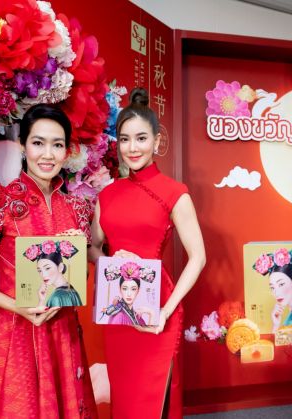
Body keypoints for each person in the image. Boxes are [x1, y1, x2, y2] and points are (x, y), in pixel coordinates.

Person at [0, 104, 97, 418]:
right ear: (22, 145)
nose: (48, 154)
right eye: (38, 143)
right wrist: (16, 305)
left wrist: (74, 256)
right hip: (12, 331)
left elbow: (80, 278)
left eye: (57, 145)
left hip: (61, 333)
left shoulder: (77, 207)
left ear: (67, 151)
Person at [89, 87, 206, 418]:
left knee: (154, 401)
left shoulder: (174, 192)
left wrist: (166, 311)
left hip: (157, 307)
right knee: (125, 400)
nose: (132, 148)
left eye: (141, 138)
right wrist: (111, 262)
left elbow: (198, 257)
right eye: (125, 139)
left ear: (156, 141)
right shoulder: (107, 195)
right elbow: (92, 248)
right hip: (117, 310)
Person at [253, 248, 292, 333]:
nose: (276, 292)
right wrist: (276, 323)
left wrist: (275, 326)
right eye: (272, 287)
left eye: (281, 284)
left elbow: (279, 341)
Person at [24, 239, 83, 307]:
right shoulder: (72, 291)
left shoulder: (56, 297)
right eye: (39, 270)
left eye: (47, 268)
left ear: (60, 267)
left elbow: (44, 315)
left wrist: (41, 302)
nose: (43, 275)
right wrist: (41, 300)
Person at [104, 262, 156, 326]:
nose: (129, 294)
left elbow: (148, 332)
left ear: (138, 290)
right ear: (120, 289)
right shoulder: (119, 316)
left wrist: (151, 313)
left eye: (133, 289)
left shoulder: (138, 317)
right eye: (125, 289)